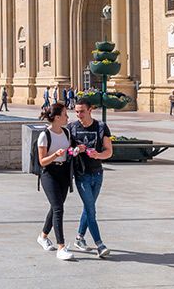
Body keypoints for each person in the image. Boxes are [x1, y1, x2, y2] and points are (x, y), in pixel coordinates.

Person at [68, 98, 113, 258]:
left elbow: (109, 151)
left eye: (81, 111)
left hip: (98, 174)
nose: (78, 114)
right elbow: (67, 152)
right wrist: (75, 149)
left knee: (89, 207)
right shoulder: (72, 128)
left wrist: (98, 155)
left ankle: (79, 238)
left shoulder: (101, 127)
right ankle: (100, 245)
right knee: (91, 209)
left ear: (90, 110)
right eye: (76, 111)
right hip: (81, 175)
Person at [36, 103, 75, 261]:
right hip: (49, 173)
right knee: (58, 208)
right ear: (57, 117)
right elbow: (42, 161)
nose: (68, 117)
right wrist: (55, 155)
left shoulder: (66, 132)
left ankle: (43, 236)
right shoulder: (44, 135)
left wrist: (74, 151)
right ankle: (61, 247)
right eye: (65, 114)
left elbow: (68, 151)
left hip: (64, 173)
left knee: (56, 207)